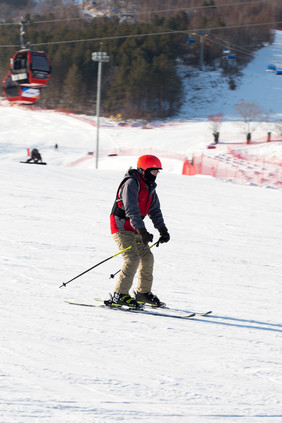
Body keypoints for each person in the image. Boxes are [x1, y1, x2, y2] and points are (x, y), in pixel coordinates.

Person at [110, 154, 170, 309]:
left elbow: (155, 210)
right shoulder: (131, 183)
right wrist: (142, 230)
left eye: (158, 171)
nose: (156, 174)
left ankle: (143, 293)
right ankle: (120, 294)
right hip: (121, 225)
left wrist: (162, 229)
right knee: (132, 258)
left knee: (147, 258)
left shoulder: (150, 187)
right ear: (144, 170)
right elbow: (131, 210)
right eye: (153, 171)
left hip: (135, 227)